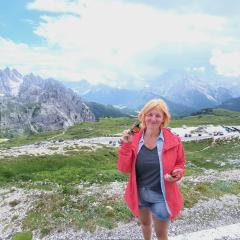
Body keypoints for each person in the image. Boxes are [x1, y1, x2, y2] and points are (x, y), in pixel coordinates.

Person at [117, 99, 185, 240]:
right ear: (143, 116)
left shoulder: (174, 140)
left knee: (161, 235)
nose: (153, 119)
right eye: (149, 114)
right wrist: (126, 145)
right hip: (139, 193)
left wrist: (177, 173)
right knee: (145, 224)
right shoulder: (134, 138)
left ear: (163, 119)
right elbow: (124, 168)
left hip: (161, 195)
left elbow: (180, 163)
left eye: (158, 116)